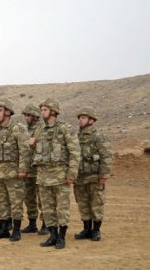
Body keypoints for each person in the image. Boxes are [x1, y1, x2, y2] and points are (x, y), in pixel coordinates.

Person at [31, 98, 80, 249]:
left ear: (53, 111)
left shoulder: (65, 128)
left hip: (60, 176)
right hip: (43, 177)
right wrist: (32, 146)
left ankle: (61, 237)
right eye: (42, 109)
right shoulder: (39, 129)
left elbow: (75, 152)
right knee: (47, 208)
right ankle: (52, 235)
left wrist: (71, 174)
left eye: (45, 109)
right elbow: (37, 152)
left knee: (62, 207)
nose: (42, 112)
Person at [0, 99, 30, 242]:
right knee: (0, 201)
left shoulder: (18, 128)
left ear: (8, 112)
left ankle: (16, 230)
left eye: (0, 110)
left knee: (16, 202)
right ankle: (4, 228)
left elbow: (24, 150)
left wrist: (22, 169)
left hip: (13, 172)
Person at [73, 106, 113, 241]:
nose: (80, 120)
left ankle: (96, 230)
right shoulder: (75, 136)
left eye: (83, 118)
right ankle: (86, 229)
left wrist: (104, 175)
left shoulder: (98, 135)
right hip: (79, 177)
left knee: (96, 203)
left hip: (94, 176)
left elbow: (107, 156)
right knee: (82, 204)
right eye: (79, 118)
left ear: (91, 120)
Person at [21, 103, 48, 235]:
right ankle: (32, 223)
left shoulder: (42, 129)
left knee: (42, 198)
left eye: (28, 115)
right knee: (29, 197)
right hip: (27, 170)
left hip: (39, 169)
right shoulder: (24, 130)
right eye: (25, 115)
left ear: (35, 116)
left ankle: (46, 223)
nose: (26, 117)